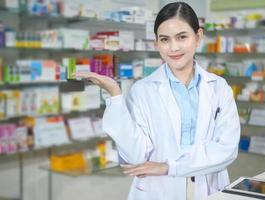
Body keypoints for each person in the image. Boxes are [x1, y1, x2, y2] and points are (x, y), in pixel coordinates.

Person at [74, 2, 240, 200]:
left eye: (182, 37)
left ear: (198, 37)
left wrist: (169, 167)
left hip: (207, 188)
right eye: (165, 39)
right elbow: (135, 157)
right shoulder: (143, 90)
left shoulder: (219, 87)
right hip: (158, 191)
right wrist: (115, 95)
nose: (173, 47)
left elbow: (226, 149)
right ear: (156, 44)